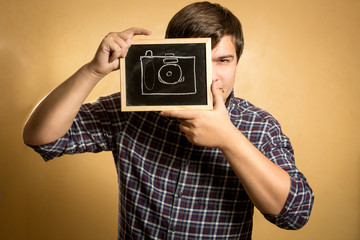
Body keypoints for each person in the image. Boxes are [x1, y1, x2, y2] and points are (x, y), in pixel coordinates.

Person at [23, 1, 314, 239]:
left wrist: (229, 139)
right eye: (198, 59)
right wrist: (93, 71)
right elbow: (42, 139)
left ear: (237, 61)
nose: (211, 76)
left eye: (223, 60)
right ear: (170, 56)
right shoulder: (133, 112)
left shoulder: (258, 125)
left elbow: (295, 213)